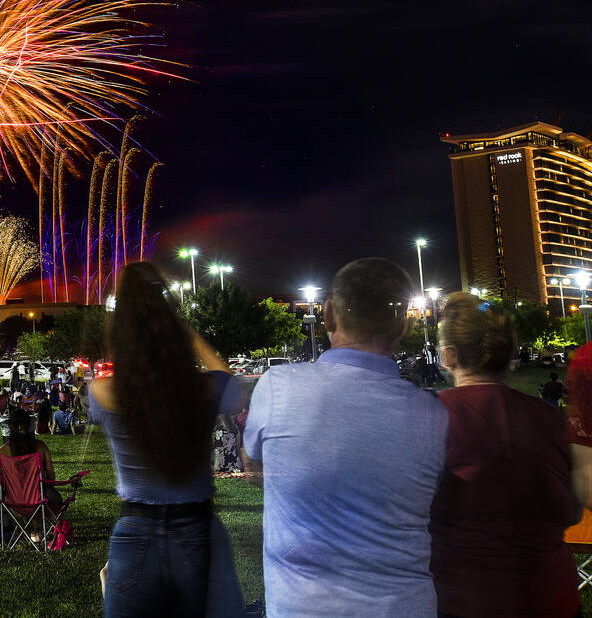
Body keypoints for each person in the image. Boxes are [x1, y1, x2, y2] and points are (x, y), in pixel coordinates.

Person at [243, 258, 448, 617]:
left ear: (328, 315)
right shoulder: (433, 416)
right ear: (403, 323)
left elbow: (253, 462)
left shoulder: (277, 387)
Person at [90, 261, 244, 617]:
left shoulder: (102, 392)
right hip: (197, 530)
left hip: (134, 531)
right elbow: (228, 380)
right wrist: (184, 330)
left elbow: (138, 380)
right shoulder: (202, 389)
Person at [430, 294, 580, 617]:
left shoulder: (429, 418)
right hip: (553, 597)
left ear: (447, 355)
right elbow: (574, 510)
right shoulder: (551, 419)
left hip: (465, 601)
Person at [0, 409, 61, 509]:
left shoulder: (1, 453)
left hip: (13, 501)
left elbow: (3, 483)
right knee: (56, 499)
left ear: (10, 427)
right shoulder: (41, 447)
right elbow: (51, 476)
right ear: (29, 425)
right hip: (40, 500)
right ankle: (51, 522)